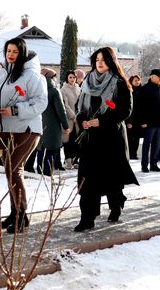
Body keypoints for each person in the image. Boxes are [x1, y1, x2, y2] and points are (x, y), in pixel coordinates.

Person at [0, 37, 47, 233]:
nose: (10, 55)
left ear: (22, 54)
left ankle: (21, 215)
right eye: (8, 51)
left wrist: (16, 110)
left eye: (15, 52)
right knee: (10, 171)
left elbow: (41, 102)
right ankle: (15, 212)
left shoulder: (33, 76)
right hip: (2, 129)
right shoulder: (0, 74)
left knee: (13, 169)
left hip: (26, 129)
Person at [74, 47, 138, 232]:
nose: (99, 63)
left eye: (103, 59)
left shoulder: (119, 83)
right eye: (97, 59)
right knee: (87, 180)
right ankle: (87, 218)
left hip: (111, 139)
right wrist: (82, 121)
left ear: (111, 62)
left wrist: (101, 121)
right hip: (90, 140)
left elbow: (125, 110)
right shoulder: (87, 80)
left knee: (112, 179)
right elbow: (80, 107)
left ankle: (116, 205)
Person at [137, 69, 160, 173]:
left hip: (159, 123)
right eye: (158, 76)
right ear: (151, 76)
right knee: (147, 145)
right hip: (149, 123)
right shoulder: (145, 89)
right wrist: (142, 121)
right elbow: (140, 106)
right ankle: (144, 165)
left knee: (157, 145)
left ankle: (154, 164)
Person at [60, 70, 81, 169]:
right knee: (67, 141)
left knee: (77, 140)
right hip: (69, 119)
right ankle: (68, 160)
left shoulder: (79, 89)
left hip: (78, 119)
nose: (72, 79)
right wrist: (74, 116)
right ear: (67, 78)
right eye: (70, 77)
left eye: (73, 77)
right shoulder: (63, 89)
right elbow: (66, 105)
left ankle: (75, 160)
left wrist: (80, 116)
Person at [126, 75, 142, 160]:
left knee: (136, 138)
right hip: (130, 118)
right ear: (131, 81)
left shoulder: (141, 91)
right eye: (135, 80)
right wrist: (129, 121)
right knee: (129, 138)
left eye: (138, 80)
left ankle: (134, 153)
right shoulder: (129, 91)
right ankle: (129, 153)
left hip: (138, 119)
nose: (137, 82)